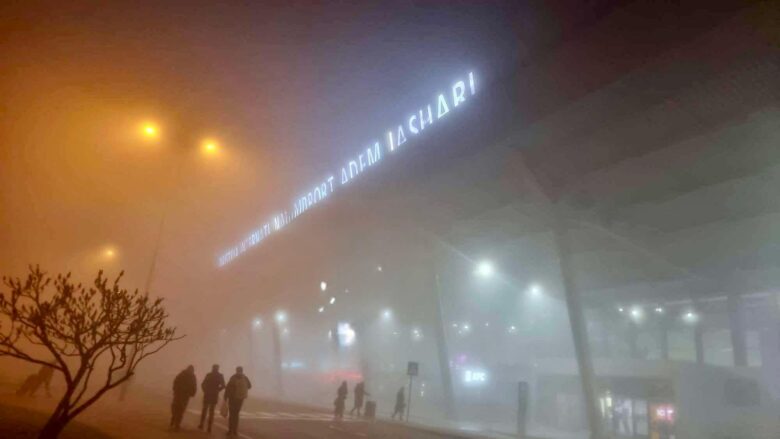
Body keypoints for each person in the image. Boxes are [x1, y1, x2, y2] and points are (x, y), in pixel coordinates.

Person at [224, 366, 252, 437]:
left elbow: (228, 388)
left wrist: (225, 397)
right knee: (236, 414)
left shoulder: (233, 377)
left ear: (236, 370)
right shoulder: (245, 377)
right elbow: (249, 386)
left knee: (232, 414)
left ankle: (230, 430)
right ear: (242, 371)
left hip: (232, 398)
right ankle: (235, 430)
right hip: (240, 399)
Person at [198, 364, 226, 433]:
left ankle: (201, 424)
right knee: (211, 411)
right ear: (218, 368)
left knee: (204, 410)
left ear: (212, 368)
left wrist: (205, 390)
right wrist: (217, 390)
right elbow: (223, 385)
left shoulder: (209, 375)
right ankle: (209, 427)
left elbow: (203, 384)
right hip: (214, 395)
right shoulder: (220, 376)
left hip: (207, 394)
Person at [170, 365, 197, 431]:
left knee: (180, 409)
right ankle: (174, 418)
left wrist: (192, 393)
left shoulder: (192, 377)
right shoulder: (183, 374)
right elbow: (176, 382)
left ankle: (177, 423)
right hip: (179, 394)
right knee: (176, 408)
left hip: (184, 395)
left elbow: (194, 386)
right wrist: (175, 389)